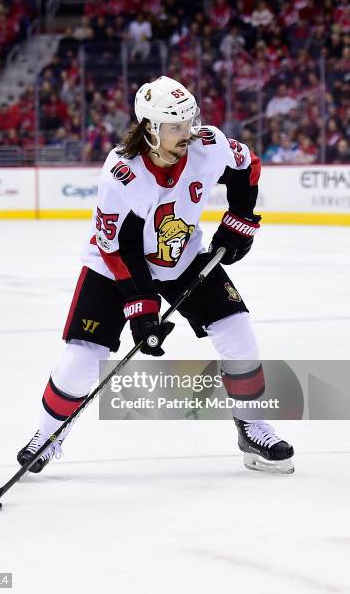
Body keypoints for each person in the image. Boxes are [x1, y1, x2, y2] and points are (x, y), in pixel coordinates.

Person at [17, 76, 294, 475]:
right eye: (176, 126)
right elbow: (118, 248)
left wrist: (241, 220)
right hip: (113, 268)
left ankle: (251, 425)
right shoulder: (122, 173)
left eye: (189, 120)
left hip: (179, 256)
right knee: (82, 358)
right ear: (150, 128)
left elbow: (246, 166)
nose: (188, 132)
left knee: (238, 332)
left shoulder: (208, 145)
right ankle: (46, 434)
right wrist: (142, 310)